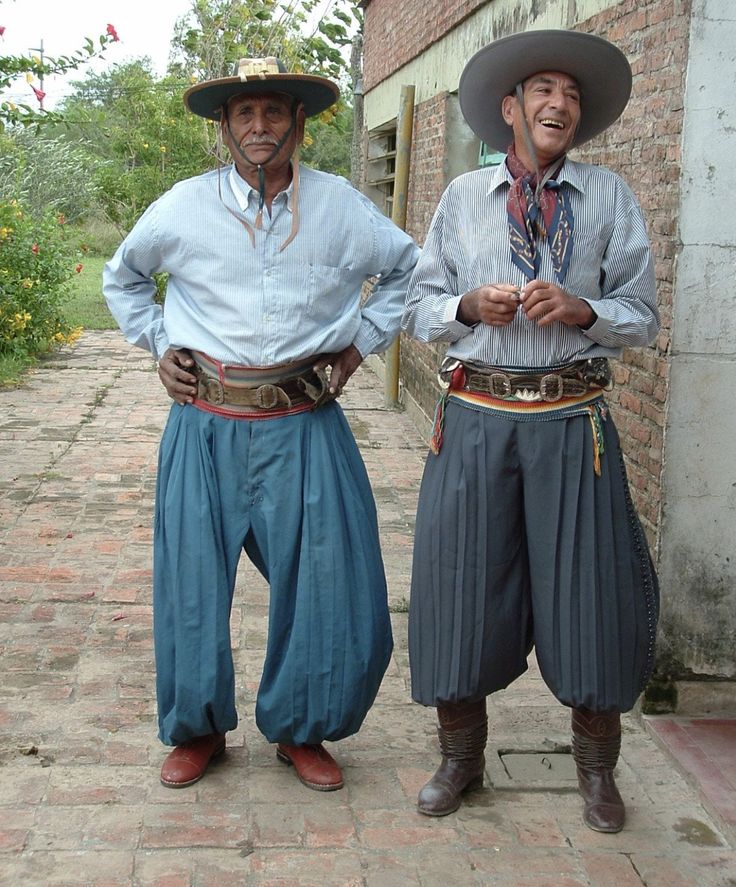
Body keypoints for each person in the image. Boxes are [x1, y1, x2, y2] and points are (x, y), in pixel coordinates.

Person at [103, 57, 419, 792]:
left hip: (306, 422)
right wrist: (158, 343)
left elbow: (409, 269)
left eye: (273, 111)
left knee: (330, 579)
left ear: (298, 121)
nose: (258, 127)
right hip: (203, 422)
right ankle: (198, 728)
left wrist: (359, 342)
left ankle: (301, 726)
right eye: (243, 113)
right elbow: (121, 276)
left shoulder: (341, 206)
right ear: (223, 126)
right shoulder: (182, 207)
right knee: (190, 581)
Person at [401, 30, 659, 833]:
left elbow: (643, 316)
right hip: (475, 420)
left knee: (594, 597)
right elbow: (417, 306)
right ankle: (460, 759)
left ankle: (596, 775)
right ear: (510, 109)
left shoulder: (610, 198)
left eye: (572, 95)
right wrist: (468, 307)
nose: (559, 104)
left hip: (571, 421)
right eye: (543, 90)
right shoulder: (459, 201)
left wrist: (585, 309)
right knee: (459, 588)